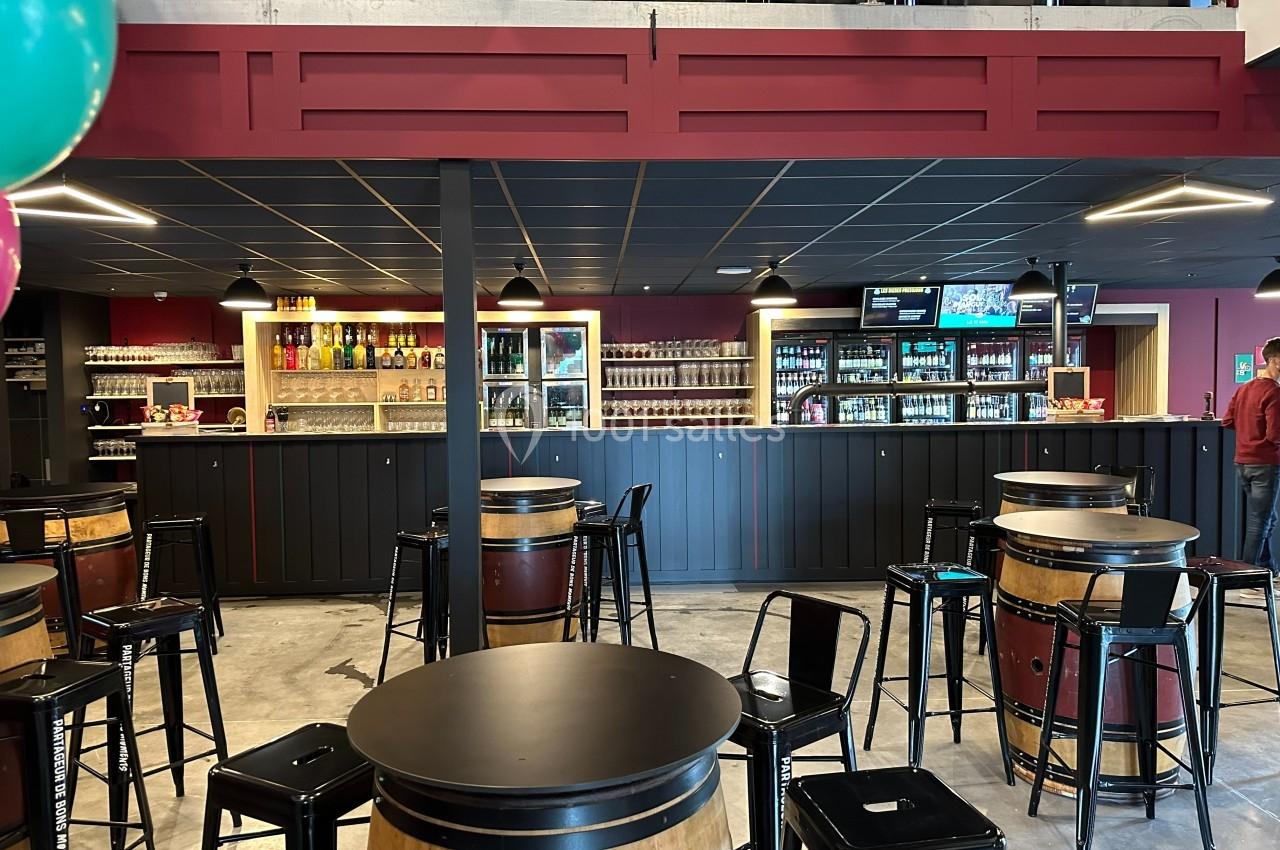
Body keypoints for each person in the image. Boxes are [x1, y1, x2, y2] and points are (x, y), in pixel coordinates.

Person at [1224, 337, 1280, 587]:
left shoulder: (1245, 388)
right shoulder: (1274, 393)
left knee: (1267, 518)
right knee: (1260, 522)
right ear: (1276, 361)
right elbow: (1275, 435)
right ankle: (1248, 579)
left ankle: (1269, 570)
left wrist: (1249, 433)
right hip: (1265, 464)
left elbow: (1227, 421)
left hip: (1242, 463)